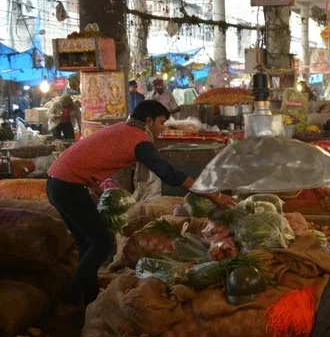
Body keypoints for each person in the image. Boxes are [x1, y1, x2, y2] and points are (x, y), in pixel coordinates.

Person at [46, 100, 236, 310]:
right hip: (68, 186)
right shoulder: (138, 139)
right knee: (102, 244)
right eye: (162, 122)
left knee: (88, 244)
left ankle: (89, 299)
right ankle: (69, 301)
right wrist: (214, 195)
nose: (162, 127)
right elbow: (169, 175)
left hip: (56, 182)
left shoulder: (123, 129)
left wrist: (94, 186)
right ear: (149, 120)